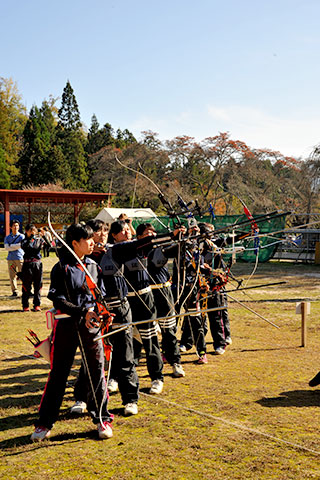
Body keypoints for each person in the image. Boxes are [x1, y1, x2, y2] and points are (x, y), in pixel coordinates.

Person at [30, 223, 113, 442]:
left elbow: (100, 296)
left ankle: (102, 418)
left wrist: (101, 313)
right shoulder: (61, 267)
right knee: (58, 373)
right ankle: (44, 423)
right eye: (87, 239)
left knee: (97, 370)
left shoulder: (94, 266)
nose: (93, 242)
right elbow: (57, 299)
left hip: (91, 326)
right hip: (66, 325)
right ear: (74, 243)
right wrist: (82, 311)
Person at [136, 223, 185, 378]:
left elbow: (174, 249)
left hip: (163, 291)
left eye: (153, 232)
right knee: (145, 332)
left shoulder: (161, 248)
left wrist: (182, 237)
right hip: (145, 294)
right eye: (147, 233)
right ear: (138, 238)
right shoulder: (134, 251)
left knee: (169, 330)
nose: (152, 234)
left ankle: (175, 362)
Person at [20, 224, 50, 312]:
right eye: (30, 231)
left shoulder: (39, 240)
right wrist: (30, 238)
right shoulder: (24, 241)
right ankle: (25, 305)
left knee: (38, 285)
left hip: (37, 264)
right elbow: (27, 247)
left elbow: (49, 245)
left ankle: (37, 304)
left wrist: (44, 236)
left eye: (34, 230)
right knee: (26, 285)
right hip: (27, 264)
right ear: (26, 231)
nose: (33, 232)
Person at [4, 220, 25, 297]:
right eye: (14, 226)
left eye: (17, 225)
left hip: (20, 257)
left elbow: (21, 245)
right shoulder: (7, 237)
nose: (16, 227)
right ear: (10, 227)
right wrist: (15, 246)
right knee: (12, 276)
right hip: (10, 258)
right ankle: (14, 291)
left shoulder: (22, 236)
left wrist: (11, 246)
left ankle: (26, 289)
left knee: (24, 275)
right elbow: (6, 248)